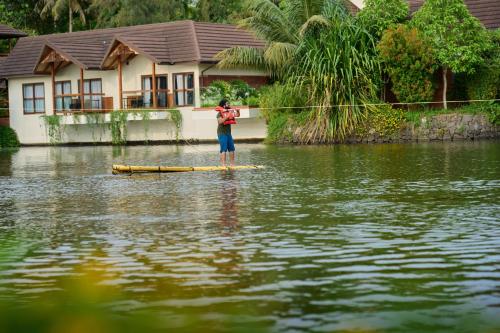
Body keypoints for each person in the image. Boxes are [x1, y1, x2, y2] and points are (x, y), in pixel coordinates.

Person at [216, 99, 240, 167]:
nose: (229, 105)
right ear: (223, 105)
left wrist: (238, 111)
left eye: (229, 103)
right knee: (223, 149)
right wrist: (227, 116)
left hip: (228, 133)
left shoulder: (230, 111)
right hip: (221, 133)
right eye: (227, 104)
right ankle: (223, 165)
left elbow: (237, 115)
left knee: (231, 148)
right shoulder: (219, 113)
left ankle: (232, 164)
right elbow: (220, 121)